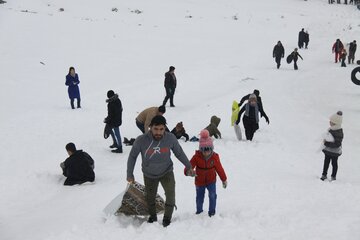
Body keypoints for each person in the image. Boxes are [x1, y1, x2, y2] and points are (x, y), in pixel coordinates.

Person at [127, 115, 195, 227]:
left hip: (166, 172)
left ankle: (167, 219)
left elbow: (179, 153)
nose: (159, 132)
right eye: (156, 129)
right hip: (149, 174)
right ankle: (152, 216)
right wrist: (129, 174)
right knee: (150, 197)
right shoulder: (141, 140)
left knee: (171, 195)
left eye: (161, 129)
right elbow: (132, 156)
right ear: (150, 127)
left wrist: (189, 166)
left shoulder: (170, 138)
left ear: (165, 128)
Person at [186, 130, 227, 217]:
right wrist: (188, 171)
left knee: (212, 196)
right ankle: (199, 212)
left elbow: (219, 169)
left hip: (211, 181)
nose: (206, 152)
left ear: (212, 148)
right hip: (199, 181)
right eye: (203, 149)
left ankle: (212, 212)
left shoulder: (214, 157)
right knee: (199, 198)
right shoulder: (196, 157)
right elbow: (188, 166)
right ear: (200, 149)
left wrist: (224, 179)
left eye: (208, 149)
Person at [320, 111, 344, 181]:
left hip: (334, 152)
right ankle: (324, 174)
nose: (329, 122)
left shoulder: (339, 132)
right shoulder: (330, 129)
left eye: (331, 121)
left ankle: (333, 176)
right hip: (328, 151)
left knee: (334, 163)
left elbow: (337, 143)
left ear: (335, 123)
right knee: (326, 162)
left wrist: (326, 143)